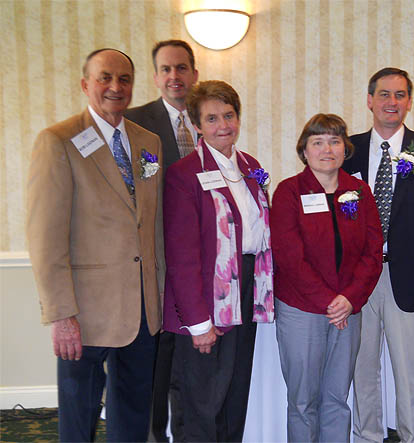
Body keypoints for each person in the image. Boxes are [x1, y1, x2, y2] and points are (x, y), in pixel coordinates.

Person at [26, 48, 164, 441]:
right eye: (105, 78)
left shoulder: (148, 141)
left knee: (134, 413)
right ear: (86, 84)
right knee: (79, 416)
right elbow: (45, 236)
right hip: (83, 313)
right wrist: (60, 314)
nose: (115, 87)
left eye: (124, 79)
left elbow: (151, 225)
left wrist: (160, 297)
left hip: (141, 309)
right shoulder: (58, 141)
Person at [342, 67, 414, 442]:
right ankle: (368, 436)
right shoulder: (346, 149)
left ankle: (413, 437)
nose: (392, 102)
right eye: (384, 94)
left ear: (409, 101)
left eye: (400, 95)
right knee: (362, 369)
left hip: (410, 279)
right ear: (370, 100)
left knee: (410, 373)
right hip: (358, 281)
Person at [162, 80, 274, 442]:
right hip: (206, 299)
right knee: (200, 401)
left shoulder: (250, 166)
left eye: (229, 115)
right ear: (196, 125)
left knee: (233, 394)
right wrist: (198, 323)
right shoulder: (184, 175)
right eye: (211, 119)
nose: (223, 125)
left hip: (245, 291)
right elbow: (182, 257)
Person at [270, 113, 382, 442]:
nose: (327, 149)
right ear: (304, 150)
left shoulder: (359, 191)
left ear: (345, 149)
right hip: (302, 309)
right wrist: (329, 301)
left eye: (334, 141)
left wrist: (348, 299)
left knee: (337, 399)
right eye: (317, 142)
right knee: (303, 401)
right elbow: (290, 256)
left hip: (348, 309)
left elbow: (373, 252)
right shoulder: (289, 192)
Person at [125, 38, 199, 442]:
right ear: (155, 77)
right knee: (154, 364)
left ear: (194, 74)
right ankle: (154, 436)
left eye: (182, 68)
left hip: (198, 266)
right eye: (167, 69)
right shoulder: (134, 123)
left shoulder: (209, 119)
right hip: (153, 264)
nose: (175, 77)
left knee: (188, 364)